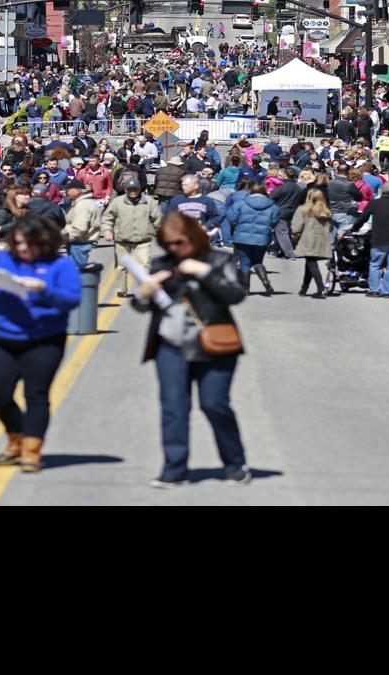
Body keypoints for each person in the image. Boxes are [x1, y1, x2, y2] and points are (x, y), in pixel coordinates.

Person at [132, 213, 252, 487]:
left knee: (214, 404)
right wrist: (144, 293)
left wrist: (204, 272)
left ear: (193, 238)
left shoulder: (219, 260)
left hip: (215, 345)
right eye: (168, 244)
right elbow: (142, 307)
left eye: (179, 243)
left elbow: (235, 295)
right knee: (174, 407)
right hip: (170, 346)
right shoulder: (162, 264)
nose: (174, 248)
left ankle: (235, 463)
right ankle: (174, 469)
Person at [0, 215, 82, 474]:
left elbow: (72, 299)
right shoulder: (2, 259)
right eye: (18, 243)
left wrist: (44, 290)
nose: (22, 249)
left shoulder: (60, 265)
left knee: (36, 394)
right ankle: (16, 435)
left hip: (44, 339)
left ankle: (31, 450)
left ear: (44, 242)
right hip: (3, 337)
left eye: (28, 244)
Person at [102, 178, 162, 296]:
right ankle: (121, 289)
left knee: (144, 264)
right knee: (121, 266)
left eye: (135, 189)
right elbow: (107, 218)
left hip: (143, 239)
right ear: (125, 190)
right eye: (130, 189)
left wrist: (160, 234)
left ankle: (145, 289)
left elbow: (157, 219)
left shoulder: (149, 202)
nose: (132, 192)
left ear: (140, 189)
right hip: (122, 239)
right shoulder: (117, 202)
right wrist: (107, 231)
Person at [218, 180, 279, 295]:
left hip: (242, 237)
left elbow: (231, 218)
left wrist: (237, 226)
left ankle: (246, 288)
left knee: (245, 263)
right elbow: (274, 221)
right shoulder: (272, 206)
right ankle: (265, 280)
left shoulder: (241, 204)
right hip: (262, 238)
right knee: (257, 261)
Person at [290, 187, 333, 299]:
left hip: (308, 239)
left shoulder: (303, 209)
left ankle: (321, 288)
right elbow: (331, 227)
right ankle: (304, 288)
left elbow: (296, 226)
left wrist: (295, 237)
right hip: (322, 239)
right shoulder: (326, 211)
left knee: (311, 262)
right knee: (310, 262)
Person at [61, 179, 100, 268]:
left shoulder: (83, 205)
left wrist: (67, 238)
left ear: (77, 191)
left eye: (68, 190)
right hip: (78, 243)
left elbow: (80, 228)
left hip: (78, 243)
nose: (65, 192)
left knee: (77, 272)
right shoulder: (83, 203)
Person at [267, 167, 302, 260]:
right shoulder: (297, 188)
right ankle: (277, 251)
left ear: (286, 175)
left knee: (282, 233)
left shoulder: (282, 187)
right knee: (284, 232)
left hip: (281, 211)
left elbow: (271, 197)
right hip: (292, 211)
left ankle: (290, 253)